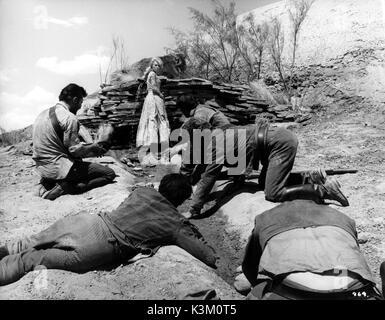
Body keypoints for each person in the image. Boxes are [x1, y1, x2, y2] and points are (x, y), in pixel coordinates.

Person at [0, 174, 217, 286]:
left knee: (28, 242)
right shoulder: (175, 223)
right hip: (101, 246)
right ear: (180, 201)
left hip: (87, 222)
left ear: (162, 187)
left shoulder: (142, 191)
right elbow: (207, 256)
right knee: (31, 260)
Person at [179, 118, 349, 218]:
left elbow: (209, 176)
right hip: (272, 143)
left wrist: (194, 208)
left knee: (273, 193)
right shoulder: (220, 132)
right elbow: (236, 155)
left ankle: (323, 189)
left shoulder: (215, 143)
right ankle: (310, 177)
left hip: (279, 144)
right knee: (263, 182)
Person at [241, 200, 383, 300]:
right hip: (355, 292)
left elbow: (250, 267)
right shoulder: (342, 217)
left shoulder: (266, 217)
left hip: (292, 292)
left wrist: (259, 287)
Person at [32, 83, 116, 201]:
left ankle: (48, 183)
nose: (80, 107)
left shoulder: (42, 114)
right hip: (59, 169)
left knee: (79, 165)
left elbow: (58, 144)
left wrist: (88, 146)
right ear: (75, 100)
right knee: (109, 174)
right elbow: (74, 150)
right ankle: (68, 187)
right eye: (81, 103)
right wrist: (94, 148)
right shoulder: (69, 117)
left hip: (42, 169)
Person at [136, 57, 170, 164]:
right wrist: (161, 94)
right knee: (159, 124)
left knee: (155, 124)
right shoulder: (152, 74)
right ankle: (162, 155)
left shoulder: (153, 75)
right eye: (155, 65)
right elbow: (154, 88)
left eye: (159, 65)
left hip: (152, 98)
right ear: (152, 66)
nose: (157, 67)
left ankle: (156, 155)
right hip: (154, 98)